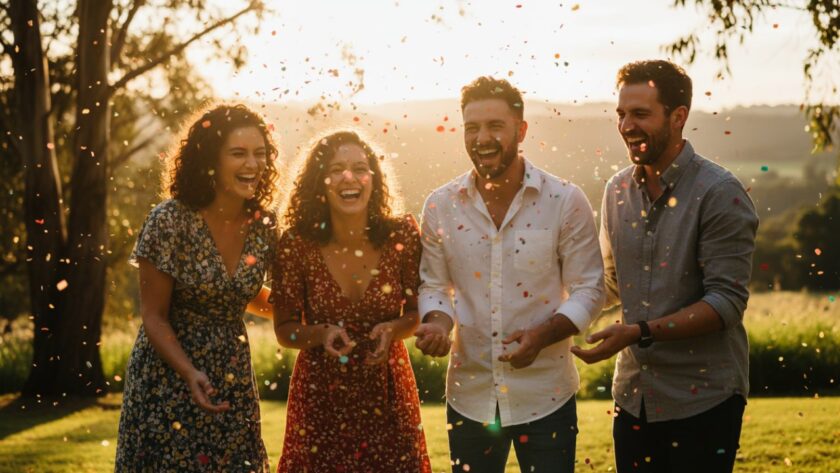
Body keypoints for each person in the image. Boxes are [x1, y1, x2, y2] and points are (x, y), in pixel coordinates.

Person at [571, 60, 759, 473]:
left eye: (640, 114)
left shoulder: (719, 194)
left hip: (704, 399)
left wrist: (639, 333)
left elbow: (726, 303)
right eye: (621, 114)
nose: (626, 125)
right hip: (633, 397)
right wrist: (552, 311)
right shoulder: (616, 189)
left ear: (678, 117)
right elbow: (612, 282)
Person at [414, 76, 605, 473]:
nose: (481, 138)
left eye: (494, 126)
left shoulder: (564, 201)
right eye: (471, 127)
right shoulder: (440, 205)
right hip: (469, 395)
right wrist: (436, 324)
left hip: (546, 395)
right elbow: (434, 287)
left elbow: (589, 289)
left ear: (520, 130)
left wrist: (541, 336)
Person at [115, 104, 280, 472]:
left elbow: (243, 293)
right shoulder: (170, 221)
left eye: (259, 153)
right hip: (167, 377)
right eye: (238, 154)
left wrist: (311, 310)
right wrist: (189, 372)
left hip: (231, 373)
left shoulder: (264, 225)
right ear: (210, 159)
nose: (252, 164)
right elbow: (154, 317)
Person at [271, 131, 431, 472]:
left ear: (373, 179)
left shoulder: (401, 234)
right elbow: (285, 330)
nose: (349, 177)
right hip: (319, 396)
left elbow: (418, 312)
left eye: (360, 168)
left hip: (387, 389)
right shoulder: (295, 244)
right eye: (337, 169)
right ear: (320, 182)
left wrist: (392, 329)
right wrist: (320, 334)